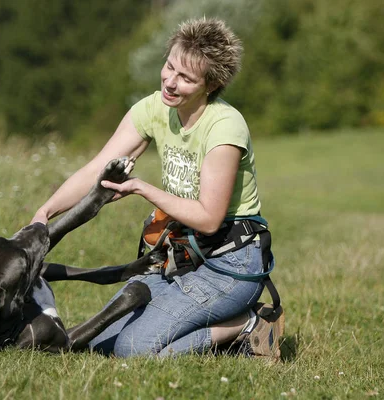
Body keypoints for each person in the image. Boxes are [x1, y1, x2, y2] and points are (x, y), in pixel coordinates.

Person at [31, 17, 283, 359]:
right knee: (97, 343)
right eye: (169, 67)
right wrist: (44, 214)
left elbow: (209, 219)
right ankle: (218, 329)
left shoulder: (225, 128)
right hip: (181, 257)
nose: (170, 82)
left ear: (210, 85)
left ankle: (247, 324)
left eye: (186, 78)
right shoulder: (154, 108)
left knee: (135, 349)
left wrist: (142, 189)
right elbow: (96, 169)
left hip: (231, 266)